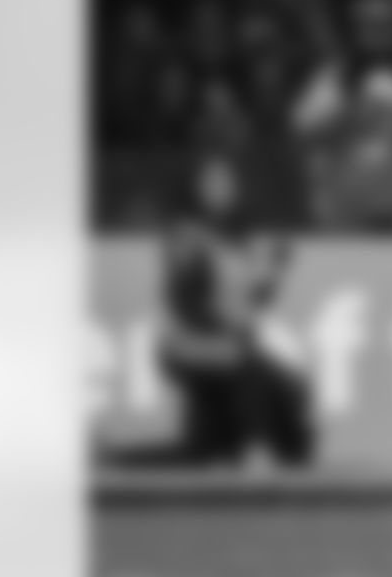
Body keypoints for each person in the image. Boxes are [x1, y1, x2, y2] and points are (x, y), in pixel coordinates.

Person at [105, 153, 314, 470]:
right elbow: (182, 298)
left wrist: (273, 274)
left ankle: (118, 460)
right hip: (188, 343)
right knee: (251, 369)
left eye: (226, 182)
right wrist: (224, 325)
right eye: (212, 183)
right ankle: (255, 449)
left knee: (202, 449)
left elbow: (248, 301)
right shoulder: (187, 234)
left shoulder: (238, 236)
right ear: (198, 188)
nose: (221, 190)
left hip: (220, 344)